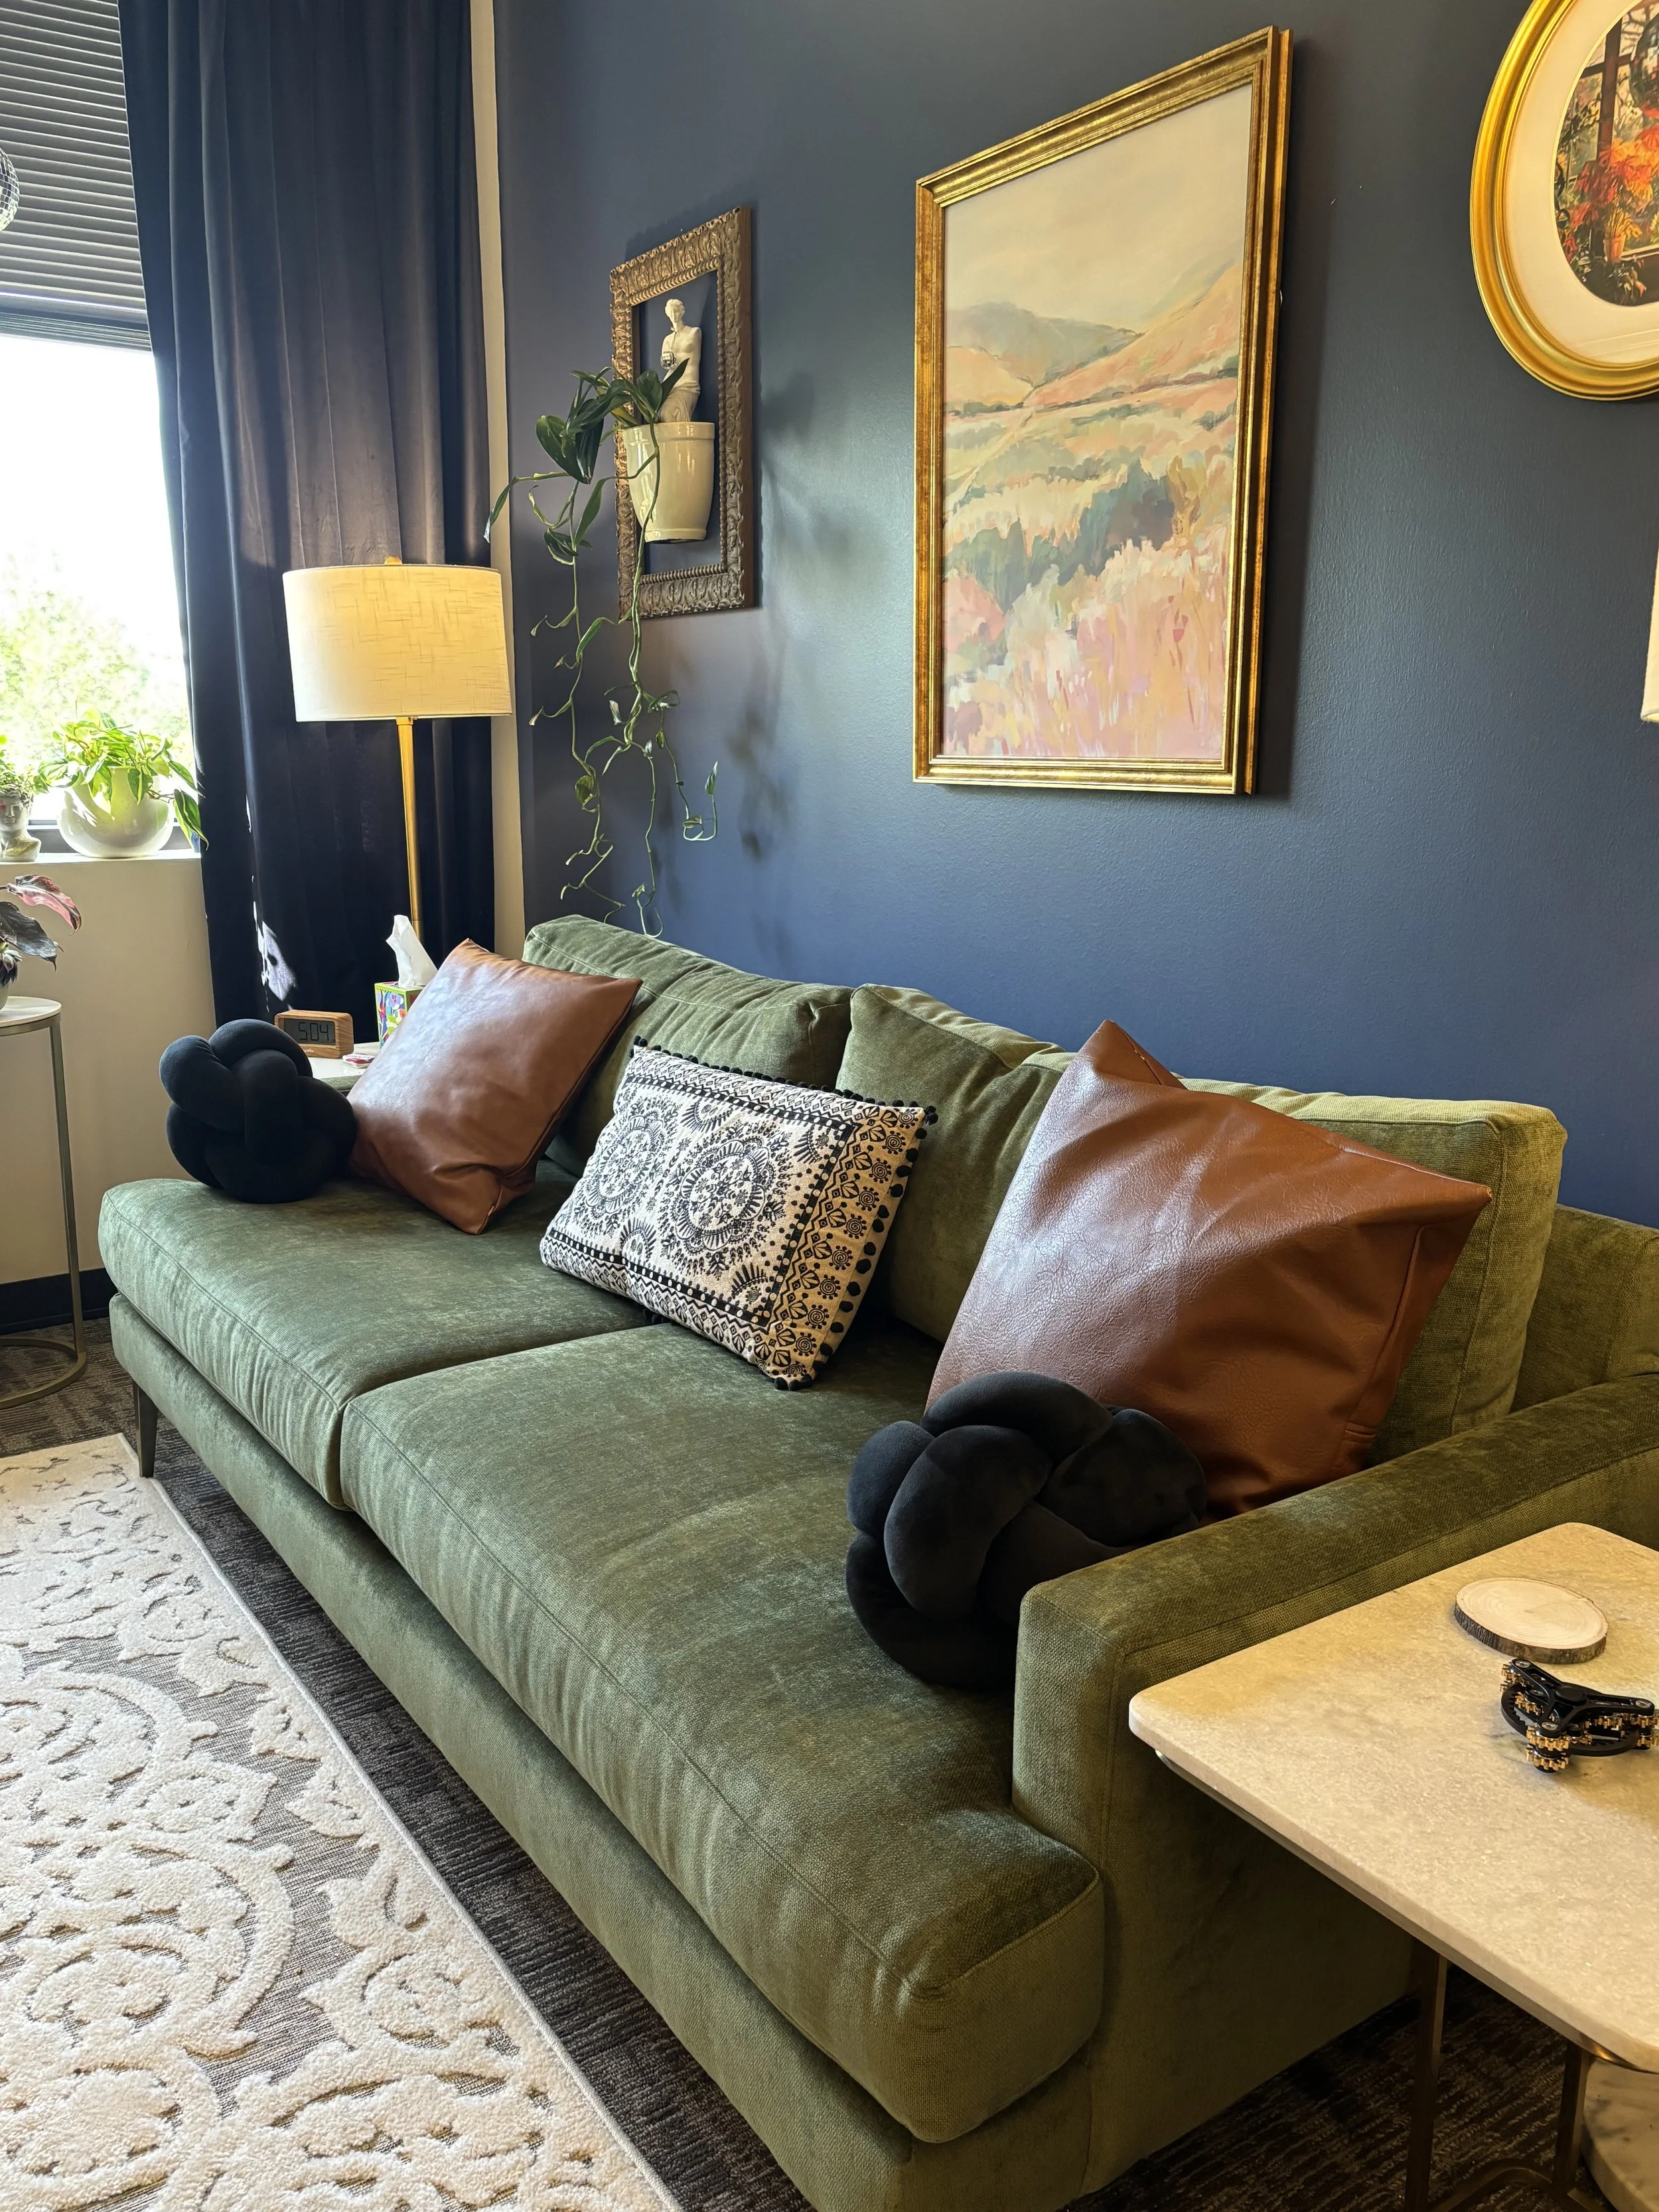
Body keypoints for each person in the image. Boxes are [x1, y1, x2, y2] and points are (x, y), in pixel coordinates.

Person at [659, 297, 701, 421]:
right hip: (670, 384)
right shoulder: (667, 340)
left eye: (676, 311)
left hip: (688, 382)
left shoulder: (694, 333)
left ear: (682, 312)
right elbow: (667, 365)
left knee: (669, 415)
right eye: (671, 312)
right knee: (664, 416)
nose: (673, 314)